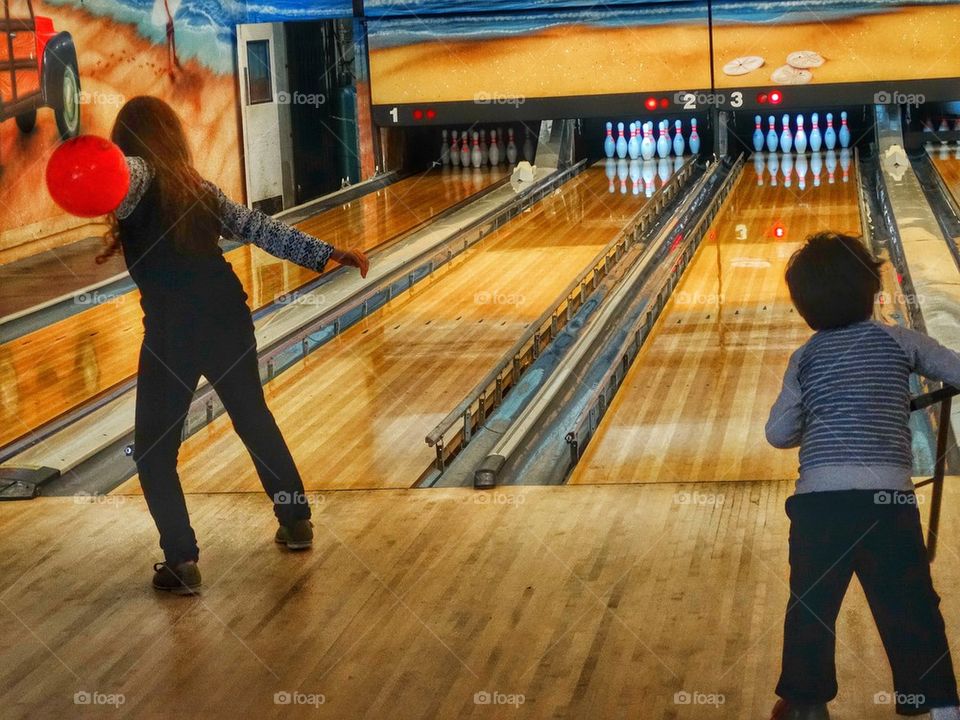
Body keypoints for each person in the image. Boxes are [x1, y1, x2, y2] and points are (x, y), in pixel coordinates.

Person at [104, 96, 368, 595]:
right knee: (253, 418)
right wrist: (328, 252)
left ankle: (182, 560)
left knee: (154, 452)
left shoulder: (134, 179)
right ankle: (296, 521)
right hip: (226, 314)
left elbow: (123, 170)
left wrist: (74, 144)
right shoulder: (195, 187)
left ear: (128, 140)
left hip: (173, 331)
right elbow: (260, 228)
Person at [766, 232, 960, 720]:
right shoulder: (899, 339)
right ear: (872, 290)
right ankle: (939, 706)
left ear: (804, 306)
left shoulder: (805, 357)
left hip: (819, 508)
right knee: (911, 606)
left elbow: (778, 433)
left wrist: (820, 413)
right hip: (887, 504)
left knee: (810, 609)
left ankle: (806, 706)